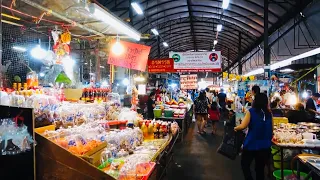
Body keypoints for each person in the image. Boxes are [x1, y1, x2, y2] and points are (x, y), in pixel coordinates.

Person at [234, 93, 272, 180]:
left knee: (245, 165)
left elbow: (243, 126)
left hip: (251, 144)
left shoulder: (251, 111)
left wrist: (235, 128)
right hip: (265, 146)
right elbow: (272, 129)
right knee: (260, 169)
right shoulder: (269, 114)